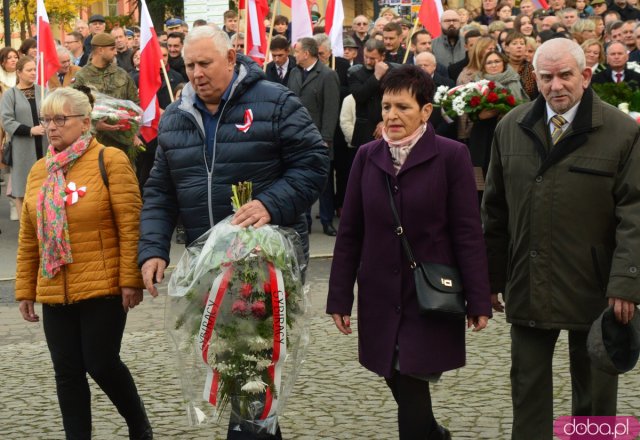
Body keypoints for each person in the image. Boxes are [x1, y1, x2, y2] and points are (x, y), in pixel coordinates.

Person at [137, 26, 329, 439]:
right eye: (189, 65)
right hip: (207, 268)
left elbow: (314, 161)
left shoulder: (275, 101)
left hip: (263, 269)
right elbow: (159, 192)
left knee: (250, 377)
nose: (196, 73)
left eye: (205, 63)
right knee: (240, 379)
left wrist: (270, 204)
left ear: (231, 58)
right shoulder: (175, 117)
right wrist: (153, 249)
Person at [482, 38, 640, 440]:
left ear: (585, 76)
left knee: (595, 396)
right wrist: (490, 279)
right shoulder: (510, 127)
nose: (557, 86)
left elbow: (634, 213)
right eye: (547, 77)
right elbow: (495, 212)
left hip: (595, 285)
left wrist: (626, 282)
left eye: (566, 75)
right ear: (536, 79)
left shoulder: (621, 132)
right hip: (527, 280)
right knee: (528, 389)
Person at [327, 64, 491, 440]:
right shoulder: (367, 157)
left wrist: (479, 299)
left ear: (426, 111)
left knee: (412, 379)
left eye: (402, 107)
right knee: (394, 375)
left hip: (428, 292)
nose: (392, 116)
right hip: (380, 294)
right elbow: (350, 232)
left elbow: (467, 231)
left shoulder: (452, 156)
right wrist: (339, 297)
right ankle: (435, 434)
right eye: (386, 107)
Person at [15, 87, 152, 440]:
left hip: (101, 286)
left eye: (60, 119)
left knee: (101, 363)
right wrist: (25, 289)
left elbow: (130, 225)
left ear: (85, 122)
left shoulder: (111, 160)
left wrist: (130, 280)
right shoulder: (39, 172)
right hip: (53, 287)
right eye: (46, 120)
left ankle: (138, 425)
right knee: (67, 371)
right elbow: (30, 237)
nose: (52, 127)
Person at [288, 37, 340, 236]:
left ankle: (326, 221)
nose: (294, 55)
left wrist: (326, 138)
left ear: (306, 53)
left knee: (324, 182)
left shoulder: (327, 75)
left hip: (319, 138)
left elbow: (331, 109)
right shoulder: (294, 73)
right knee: (300, 179)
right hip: (296, 137)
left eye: (296, 51)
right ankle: (305, 221)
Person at [467, 51, 528, 192]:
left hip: (509, 132)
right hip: (483, 136)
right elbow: (471, 113)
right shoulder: (476, 83)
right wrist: (483, 113)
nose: (493, 65)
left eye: (497, 61)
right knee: (484, 178)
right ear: (483, 66)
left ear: (504, 63)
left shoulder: (515, 80)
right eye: (489, 62)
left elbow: (524, 104)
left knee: (506, 174)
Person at [0, 56, 46, 220]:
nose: (33, 73)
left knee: (45, 187)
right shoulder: (10, 95)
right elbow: (7, 121)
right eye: (29, 70)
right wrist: (30, 130)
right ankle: (25, 227)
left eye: (35, 69)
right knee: (22, 189)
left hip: (45, 146)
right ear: (19, 72)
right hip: (22, 148)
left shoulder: (43, 91)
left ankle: (44, 223)